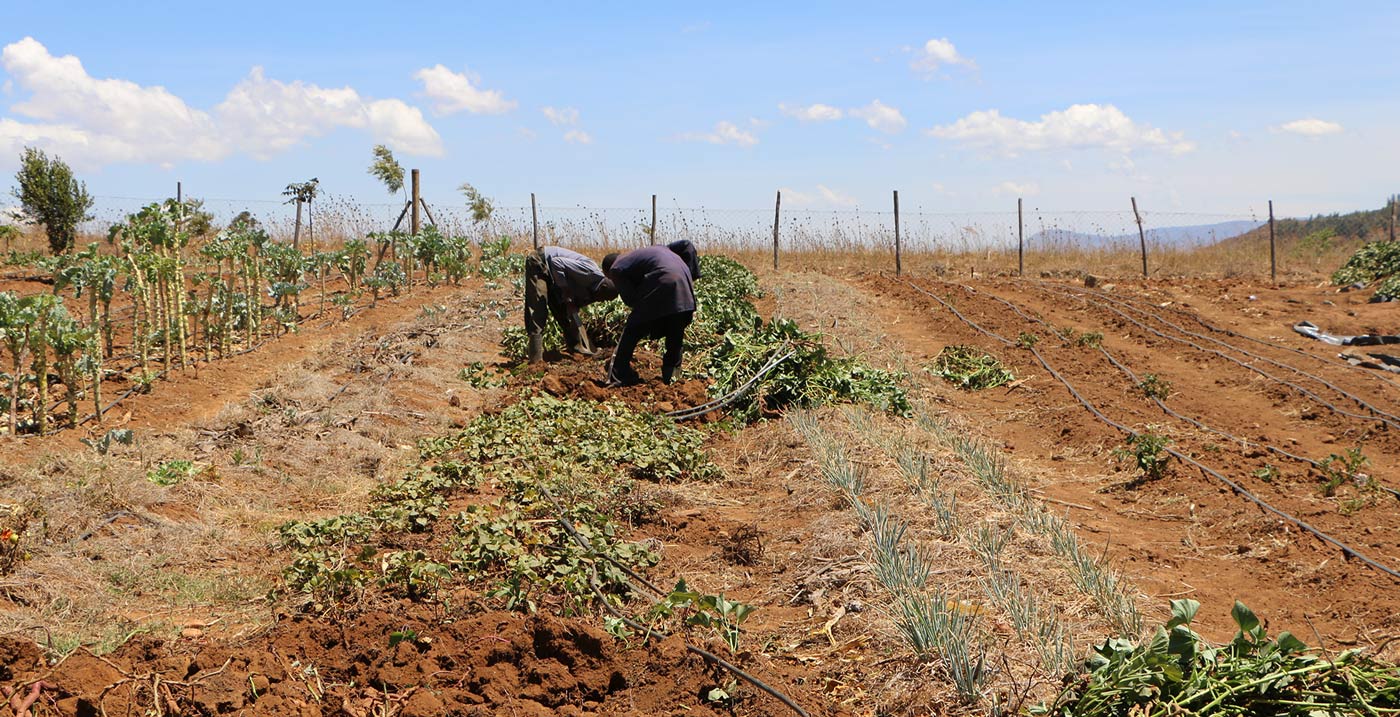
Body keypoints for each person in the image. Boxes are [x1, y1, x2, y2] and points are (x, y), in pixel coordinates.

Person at [601, 240, 701, 386]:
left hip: (662, 280)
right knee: (675, 331)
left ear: (607, 271)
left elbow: (631, 300)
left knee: (632, 329)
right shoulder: (656, 250)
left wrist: (645, 315)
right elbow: (687, 245)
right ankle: (672, 378)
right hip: (684, 284)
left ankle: (619, 374)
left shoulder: (616, 267)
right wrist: (692, 274)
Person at [524, 246, 618, 364]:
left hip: (554, 274)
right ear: (603, 288)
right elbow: (556, 262)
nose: (601, 301)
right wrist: (566, 292)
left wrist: (571, 302)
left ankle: (577, 351)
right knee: (538, 309)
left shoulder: (596, 289)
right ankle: (535, 360)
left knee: (564, 310)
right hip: (539, 262)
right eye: (603, 299)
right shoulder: (590, 272)